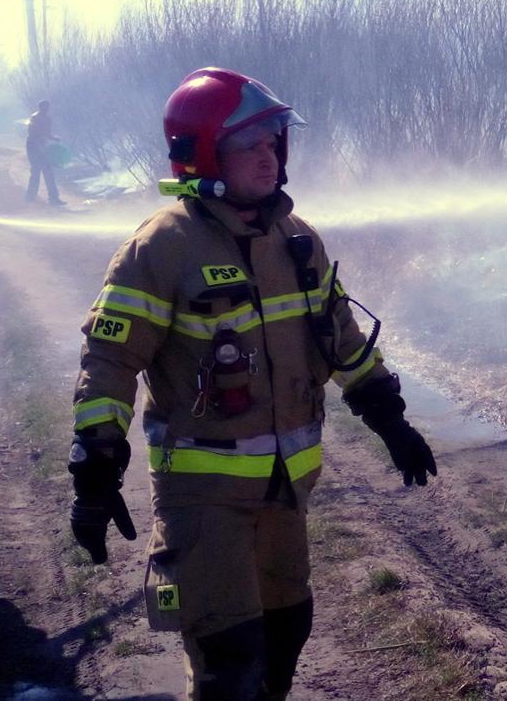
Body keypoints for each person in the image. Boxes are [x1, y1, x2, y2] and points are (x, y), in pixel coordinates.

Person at [67, 67, 437, 699]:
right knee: (229, 660)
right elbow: (109, 364)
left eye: (274, 144)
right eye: (251, 146)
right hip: (203, 497)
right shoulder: (160, 248)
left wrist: (390, 419)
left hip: (284, 494)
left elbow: (343, 340)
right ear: (205, 154)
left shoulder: (296, 241)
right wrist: (95, 464)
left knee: (286, 633)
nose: (270, 157)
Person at [25, 99, 65, 205]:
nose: (46, 109)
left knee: (47, 172)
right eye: (45, 107)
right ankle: (31, 197)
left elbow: (47, 134)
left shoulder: (46, 118)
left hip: (40, 146)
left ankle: (51, 198)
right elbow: (32, 134)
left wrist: (54, 138)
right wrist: (42, 144)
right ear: (41, 107)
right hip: (33, 146)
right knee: (36, 172)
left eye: (47, 107)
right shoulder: (35, 118)